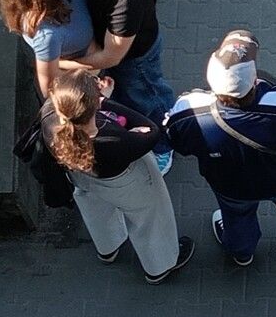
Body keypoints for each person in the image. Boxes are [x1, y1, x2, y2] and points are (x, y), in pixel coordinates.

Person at [164, 30, 276, 266]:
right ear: (254, 80)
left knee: (236, 216)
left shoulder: (188, 111)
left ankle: (241, 252)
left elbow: (174, 139)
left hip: (229, 185)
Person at [43, 70, 193, 284]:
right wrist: (107, 103)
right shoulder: (114, 140)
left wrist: (96, 102)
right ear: (94, 105)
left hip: (80, 177)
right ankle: (159, 266)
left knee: (95, 208)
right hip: (125, 182)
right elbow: (151, 130)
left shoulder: (49, 117)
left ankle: (108, 247)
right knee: (150, 216)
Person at [56, 0, 176, 174]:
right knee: (127, 95)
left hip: (136, 59)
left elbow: (112, 56)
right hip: (110, 39)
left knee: (147, 99)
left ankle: (164, 146)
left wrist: (64, 63)